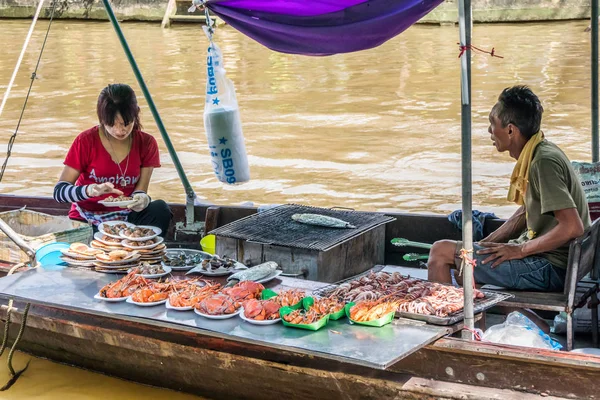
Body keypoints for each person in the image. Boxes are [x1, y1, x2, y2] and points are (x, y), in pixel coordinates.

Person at [428, 85, 590, 292]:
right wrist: (483, 245)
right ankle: (530, 320)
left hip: (552, 267)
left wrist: (519, 250)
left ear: (511, 130)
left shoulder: (543, 162)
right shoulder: (540, 150)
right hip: (555, 262)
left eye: (492, 123)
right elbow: (526, 212)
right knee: (463, 266)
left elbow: (572, 227)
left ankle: (446, 319)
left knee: (440, 252)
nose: (489, 131)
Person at [53, 83, 172, 236]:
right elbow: (59, 192)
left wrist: (142, 199)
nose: (119, 131)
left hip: (126, 216)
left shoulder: (146, 143)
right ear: (102, 119)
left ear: (136, 115)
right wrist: (89, 190)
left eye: (125, 124)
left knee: (160, 209)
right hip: (87, 217)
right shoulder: (86, 141)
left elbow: (141, 190)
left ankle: (142, 253)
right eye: (111, 124)